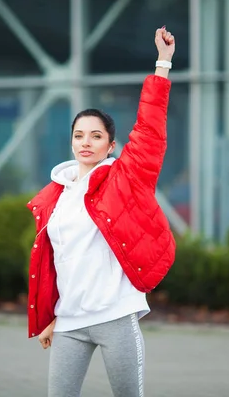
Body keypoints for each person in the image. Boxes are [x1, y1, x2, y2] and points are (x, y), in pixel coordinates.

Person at [26, 26, 177, 397]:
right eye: (79, 135)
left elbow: (150, 130)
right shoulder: (55, 195)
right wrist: (47, 318)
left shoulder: (123, 179)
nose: (86, 142)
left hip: (115, 316)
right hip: (69, 322)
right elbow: (53, 261)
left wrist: (162, 64)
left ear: (111, 145)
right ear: (71, 141)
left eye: (96, 136)